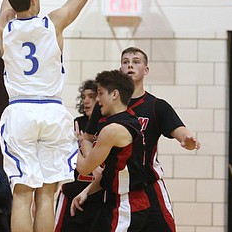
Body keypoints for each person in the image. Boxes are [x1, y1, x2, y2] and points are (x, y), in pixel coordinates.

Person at [0, 0, 90, 231]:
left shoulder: (5, 26)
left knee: (22, 193)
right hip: (52, 111)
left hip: (20, 112)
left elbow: (8, 2)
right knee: (48, 193)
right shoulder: (54, 22)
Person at [81, 47, 201, 232]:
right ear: (119, 69)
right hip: (117, 188)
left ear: (146, 69)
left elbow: (181, 133)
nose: (130, 65)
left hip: (149, 185)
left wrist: (188, 139)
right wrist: (94, 165)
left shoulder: (156, 106)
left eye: (136, 61)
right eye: (125, 61)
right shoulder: (104, 105)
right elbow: (87, 139)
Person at [71, 70, 150, 232]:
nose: (97, 100)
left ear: (115, 95)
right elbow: (115, 171)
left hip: (126, 205)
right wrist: (87, 191)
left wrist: (69, 143)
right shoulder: (129, 119)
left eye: (100, 94)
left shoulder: (113, 130)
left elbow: (85, 167)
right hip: (118, 201)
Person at [54, 79, 104, 232]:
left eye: (91, 96)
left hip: (99, 197)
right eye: (84, 97)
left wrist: (84, 144)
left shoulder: (110, 127)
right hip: (72, 193)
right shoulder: (74, 124)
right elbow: (58, 161)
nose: (86, 101)